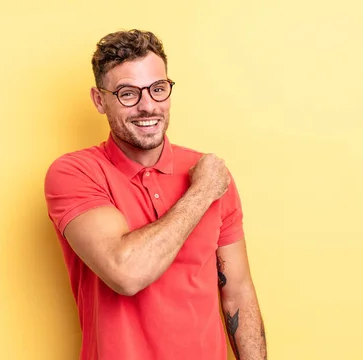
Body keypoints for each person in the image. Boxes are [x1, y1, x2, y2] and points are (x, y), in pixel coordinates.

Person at [44, 29, 266, 360]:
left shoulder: (209, 172)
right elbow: (127, 273)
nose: (148, 106)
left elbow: (238, 293)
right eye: (128, 94)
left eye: (158, 89)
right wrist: (200, 193)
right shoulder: (75, 173)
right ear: (99, 99)